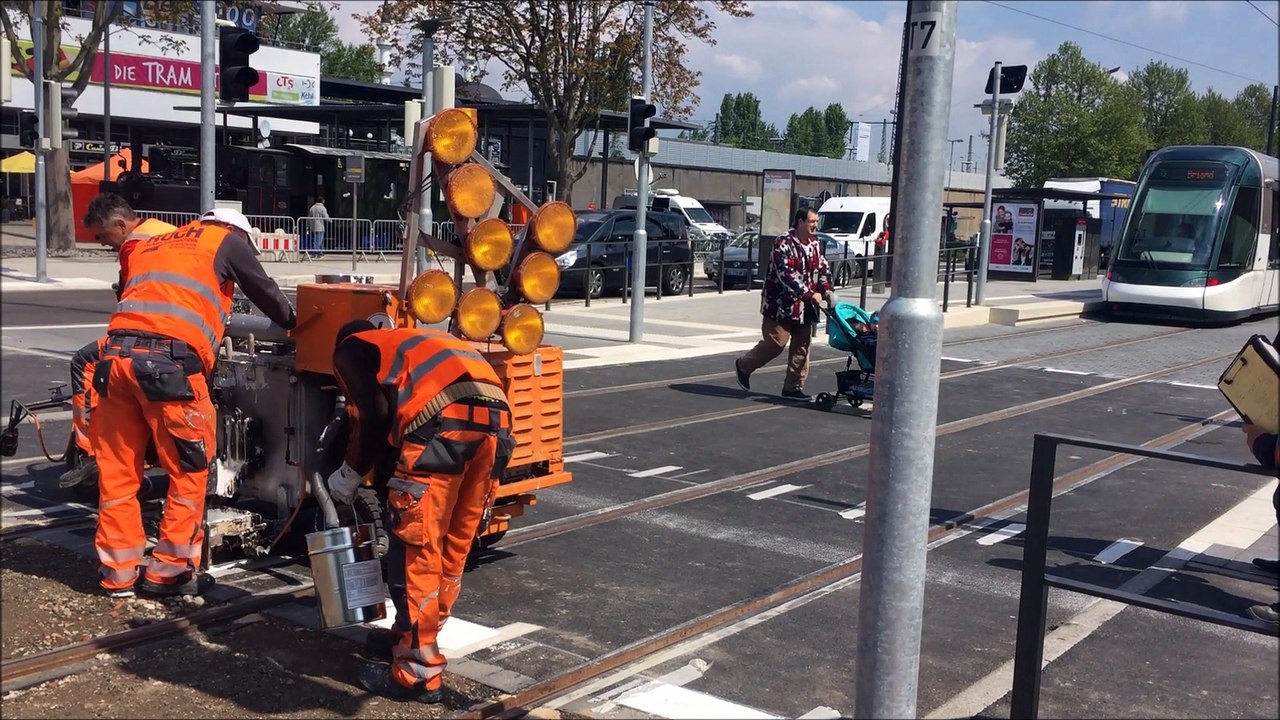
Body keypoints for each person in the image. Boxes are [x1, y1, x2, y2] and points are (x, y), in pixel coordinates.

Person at [83, 195, 297, 598]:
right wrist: (295, 323)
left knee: (118, 475)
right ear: (239, 233)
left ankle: (118, 574)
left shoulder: (158, 241)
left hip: (114, 361)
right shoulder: (227, 241)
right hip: (169, 369)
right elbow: (266, 291)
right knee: (187, 472)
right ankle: (170, 572)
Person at [326, 321, 516, 704]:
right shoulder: (412, 345)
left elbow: (372, 417)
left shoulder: (351, 349)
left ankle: (415, 672)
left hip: (442, 427)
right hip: (497, 428)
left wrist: (350, 474)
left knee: (419, 545)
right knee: (453, 546)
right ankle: (412, 637)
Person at [61, 207, 179, 489]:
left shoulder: (134, 245)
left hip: (155, 335)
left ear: (120, 224)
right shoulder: (165, 230)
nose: (102, 242)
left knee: (86, 362)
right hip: (182, 330)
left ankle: (92, 451)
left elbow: (130, 298)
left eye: (103, 235)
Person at [734, 206, 833, 400]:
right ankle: (744, 366)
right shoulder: (783, 242)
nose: (815, 225)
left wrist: (826, 289)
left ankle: (793, 387)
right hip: (780, 305)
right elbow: (786, 274)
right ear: (800, 222)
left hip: (805, 308)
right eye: (812, 221)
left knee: (802, 346)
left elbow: (823, 268)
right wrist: (808, 293)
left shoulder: (815, 244)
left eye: (816, 222)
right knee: (776, 343)